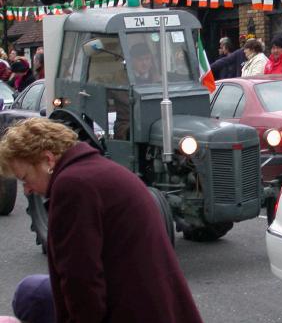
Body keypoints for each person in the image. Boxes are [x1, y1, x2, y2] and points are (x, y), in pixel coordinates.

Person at [0, 118, 203, 323]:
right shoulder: (96, 171)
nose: (26, 189)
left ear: (48, 160)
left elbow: (81, 283)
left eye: (25, 178)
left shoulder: (72, 187)